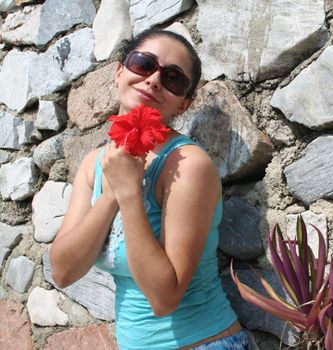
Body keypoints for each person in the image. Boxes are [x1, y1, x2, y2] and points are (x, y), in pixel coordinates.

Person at [50, 29, 248, 350]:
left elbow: (164, 298)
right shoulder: (94, 164)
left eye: (173, 78)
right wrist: (112, 193)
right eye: (143, 63)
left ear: (183, 104)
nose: (154, 80)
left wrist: (129, 195)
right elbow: (62, 271)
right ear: (119, 72)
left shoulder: (186, 164)